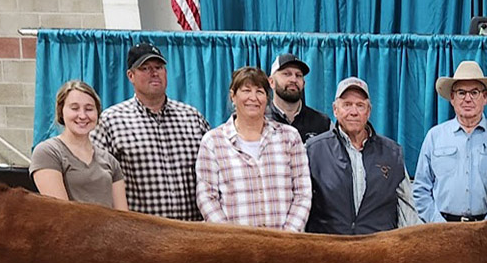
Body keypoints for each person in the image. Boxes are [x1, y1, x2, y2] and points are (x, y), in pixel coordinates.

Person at [91, 42, 210, 220]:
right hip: (141, 236)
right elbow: (98, 182)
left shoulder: (193, 118)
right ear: (130, 75)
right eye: (145, 68)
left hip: (192, 232)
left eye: (159, 67)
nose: (154, 73)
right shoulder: (110, 121)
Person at [194, 66, 312, 231]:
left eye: (259, 92)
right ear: (233, 96)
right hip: (234, 248)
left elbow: (303, 193)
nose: (253, 98)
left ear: (267, 98)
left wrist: (288, 237)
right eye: (246, 90)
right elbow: (206, 197)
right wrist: (231, 238)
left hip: (285, 246)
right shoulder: (213, 141)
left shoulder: (289, 137)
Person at [306, 76, 419, 234]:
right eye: (347, 105)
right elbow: (302, 204)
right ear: (335, 110)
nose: (354, 112)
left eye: (360, 105)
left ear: (368, 111)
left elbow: (408, 207)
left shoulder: (392, 153)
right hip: (329, 250)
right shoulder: (313, 150)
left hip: (378, 250)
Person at [413, 60, 487, 224]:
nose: (467, 99)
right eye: (461, 92)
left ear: (485, 97)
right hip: (442, 230)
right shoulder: (434, 137)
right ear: (452, 98)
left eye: (474, 92)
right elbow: (420, 188)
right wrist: (438, 225)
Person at [31, 80, 128, 210]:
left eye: (89, 109)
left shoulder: (110, 161)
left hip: (108, 230)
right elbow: (62, 213)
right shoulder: (48, 152)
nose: (82, 116)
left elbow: (123, 215)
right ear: (61, 111)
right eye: (74, 108)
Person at [265, 52, 332, 143]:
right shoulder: (260, 119)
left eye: (298, 75)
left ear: (304, 83)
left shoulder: (323, 123)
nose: (293, 80)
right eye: (287, 74)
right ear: (271, 82)